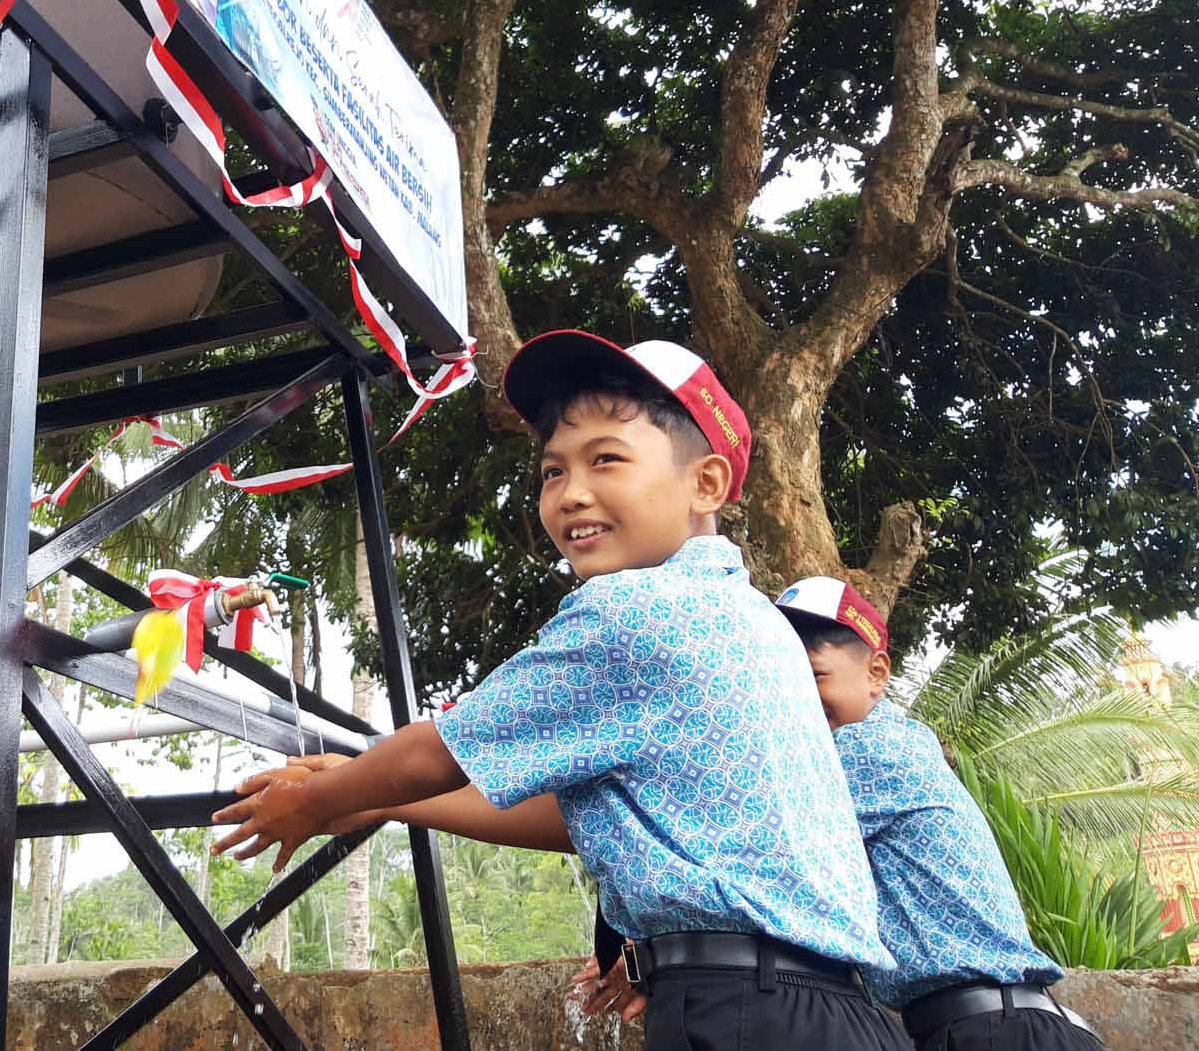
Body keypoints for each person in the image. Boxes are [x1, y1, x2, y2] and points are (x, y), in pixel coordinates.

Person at [212, 330, 902, 1050]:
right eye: (551, 471)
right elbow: (579, 820)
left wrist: (314, 802)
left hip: (747, 1016)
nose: (572, 494)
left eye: (607, 459)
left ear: (707, 483)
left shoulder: (636, 611)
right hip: (835, 1012)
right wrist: (381, 798)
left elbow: (441, 751)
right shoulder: (755, 624)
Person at [765, 575, 1102, 1050]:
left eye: (815, 676)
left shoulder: (869, 748)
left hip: (995, 1031)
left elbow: (761, 842)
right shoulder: (896, 742)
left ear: (877, 673)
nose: (797, 695)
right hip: (991, 1023)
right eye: (783, 680)